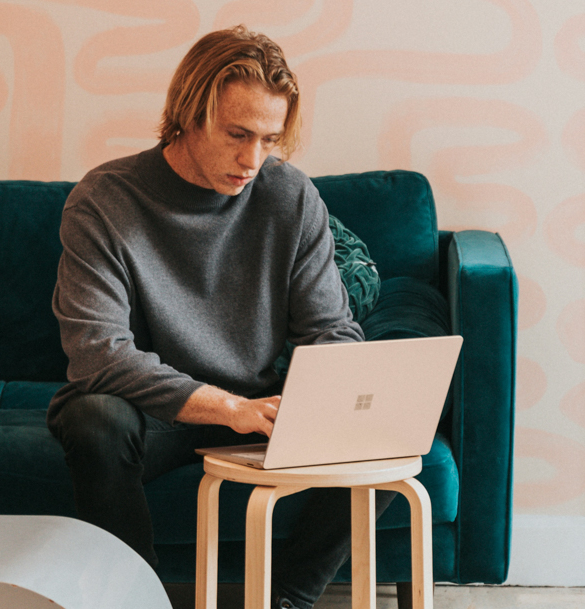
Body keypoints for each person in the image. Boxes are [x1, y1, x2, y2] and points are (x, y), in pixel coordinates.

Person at [47, 26, 393, 609]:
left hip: (260, 400)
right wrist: (230, 409)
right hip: (155, 409)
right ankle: (140, 599)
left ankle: (287, 598)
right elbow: (98, 354)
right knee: (92, 419)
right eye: (237, 134)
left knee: (386, 426)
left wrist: (340, 397)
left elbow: (328, 329)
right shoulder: (104, 200)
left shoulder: (291, 196)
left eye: (269, 140)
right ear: (188, 113)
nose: (252, 160)